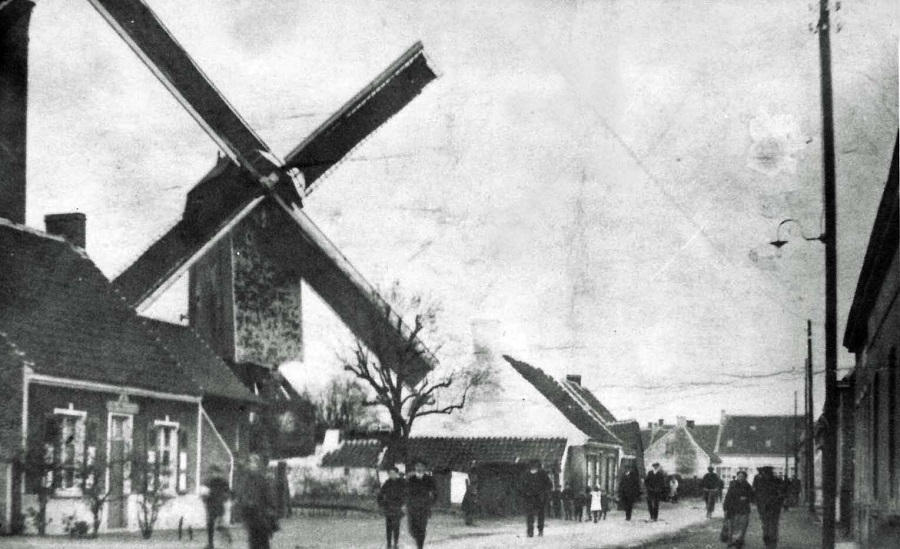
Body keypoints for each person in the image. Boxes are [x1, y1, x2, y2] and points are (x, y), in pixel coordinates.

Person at [237, 454, 278, 549]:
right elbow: (241, 495)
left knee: (263, 540)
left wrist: (271, 509)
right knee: (253, 540)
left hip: (261, 514)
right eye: (251, 463)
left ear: (258, 465)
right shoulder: (245, 480)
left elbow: (269, 496)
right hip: (251, 515)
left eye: (255, 463)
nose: (253, 465)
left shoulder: (262, 479)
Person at [406, 460, 438, 549]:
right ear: (415, 467)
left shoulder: (429, 479)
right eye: (417, 466)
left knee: (421, 528)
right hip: (412, 508)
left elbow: (435, 493)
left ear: (424, 468)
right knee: (412, 529)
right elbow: (405, 492)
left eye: (421, 466)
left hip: (423, 508)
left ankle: (420, 546)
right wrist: (406, 504)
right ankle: (418, 541)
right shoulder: (411, 479)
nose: (419, 468)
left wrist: (430, 503)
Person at [753, 466, 786, 549]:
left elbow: (756, 492)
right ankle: (771, 539)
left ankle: (768, 538)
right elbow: (782, 492)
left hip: (766, 505)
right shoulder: (776, 480)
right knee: (773, 523)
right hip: (772, 505)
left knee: (766, 522)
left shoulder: (759, 480)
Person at [202, 464, 232, 549]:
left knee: (220, 525)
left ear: (218, 473)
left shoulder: (222, 482)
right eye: (212, 472)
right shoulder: (208, 482)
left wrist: (225, 499)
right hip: (211, 506)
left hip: (218, 505)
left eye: (215, 472)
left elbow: (228, 492)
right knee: (210, 525)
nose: (213, 474)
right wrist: (205, 499)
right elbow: (205, 493)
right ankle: (210, 543)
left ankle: (227, 540)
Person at [518, 460, 552, 537]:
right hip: (529, 497)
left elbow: (549, 485)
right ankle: (530, 531)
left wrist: (545, 493)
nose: (533, 466)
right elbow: (521, 486)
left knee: (540, 515)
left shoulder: (542, 474)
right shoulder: (526, 475)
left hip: (540, 497)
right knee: (530, 515)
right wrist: (525, 493)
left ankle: (540, 530)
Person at [722, 471, 754, 548]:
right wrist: (725, 508)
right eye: (739, 476)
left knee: (742, 526)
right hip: (732, 508)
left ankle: (739, 542)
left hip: (744, 509)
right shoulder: (733, 485)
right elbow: (728, 496)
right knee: (732, 526)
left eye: (742, 476)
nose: (740, 477)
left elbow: (753, 497)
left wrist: (746, 498)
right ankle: (730, 541)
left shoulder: (748, 486)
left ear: (745, 477)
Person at [377, 467, 406, 548]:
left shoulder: (402, 483)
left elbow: (406, 495)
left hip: (398, 507)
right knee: (388, 527)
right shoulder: (387, 483)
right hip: (389, 508)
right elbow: (380, 495)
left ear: (397, 474)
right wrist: (381, 505)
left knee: (396, 526)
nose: (391, 475)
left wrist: (404, 504)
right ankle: (389, 544)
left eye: (393, 473)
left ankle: (396, 543)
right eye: (390, 473)